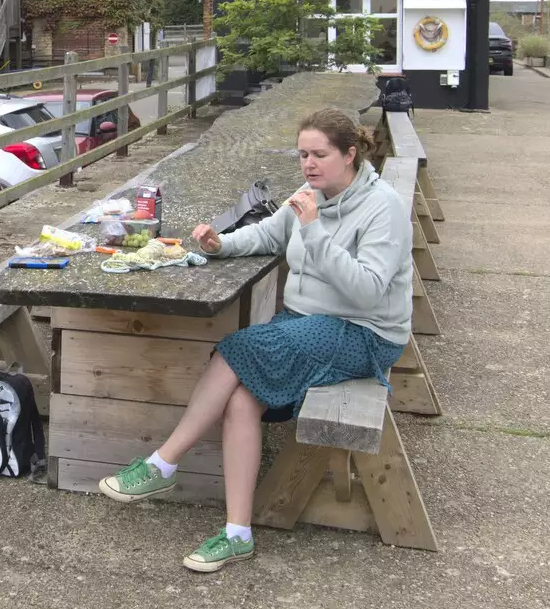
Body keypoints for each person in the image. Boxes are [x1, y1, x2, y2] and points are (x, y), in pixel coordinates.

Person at [98, 108, 412, 571]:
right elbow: (269, 233)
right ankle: (237, 533)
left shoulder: (381, 207)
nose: (308, 163)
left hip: (364, 334)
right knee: (243, 399)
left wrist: (315, 231)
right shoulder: (311, 194)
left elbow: (367, 290)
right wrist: (220, 244)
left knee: (238, 347)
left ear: (350, 154)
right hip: (308, 324)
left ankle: (163, 463)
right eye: (303, 153)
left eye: (319, 154)